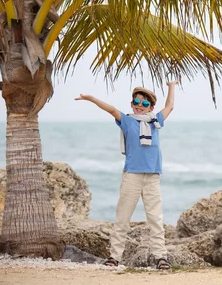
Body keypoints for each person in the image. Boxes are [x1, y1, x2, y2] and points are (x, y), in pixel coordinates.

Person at [75, 81, 179, 269]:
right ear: (131, 104)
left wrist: (171, 85)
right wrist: (91, 99)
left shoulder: (156, 122)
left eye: (145, 104)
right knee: (122, 218)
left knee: (155, 218)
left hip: (152, 176)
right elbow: (111, 109)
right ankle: (114, 257)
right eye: (136, 102)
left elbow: (170, 106)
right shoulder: (127, 121)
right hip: (132, 175)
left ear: (151, 108)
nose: (140, 106)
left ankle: (160, 257)